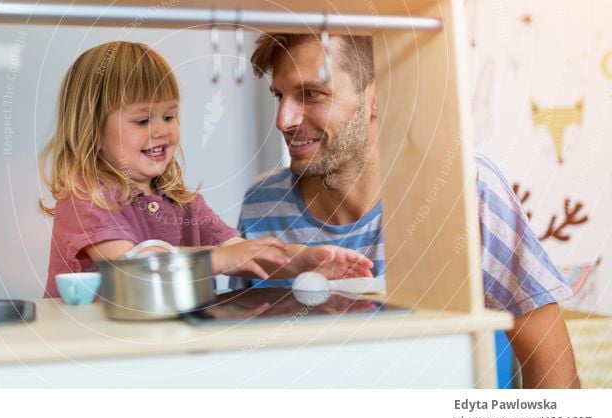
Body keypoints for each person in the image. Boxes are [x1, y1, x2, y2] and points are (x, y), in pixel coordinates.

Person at [238, 33, 580, 389]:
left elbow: (552, 369)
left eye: (312, 94)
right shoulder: (262, 205)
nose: (283, 119)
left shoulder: (464, 189)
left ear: (377, 96)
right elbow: (247, 366)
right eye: (280, 96)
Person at [39, 41, 373, 299]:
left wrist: (304, 260)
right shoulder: (86, 198)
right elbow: (131, 268)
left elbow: (240, 248)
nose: (160, 131)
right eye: (142, 120)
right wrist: (217, 260)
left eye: (169, 117)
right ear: (92, 130)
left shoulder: (180, 201)